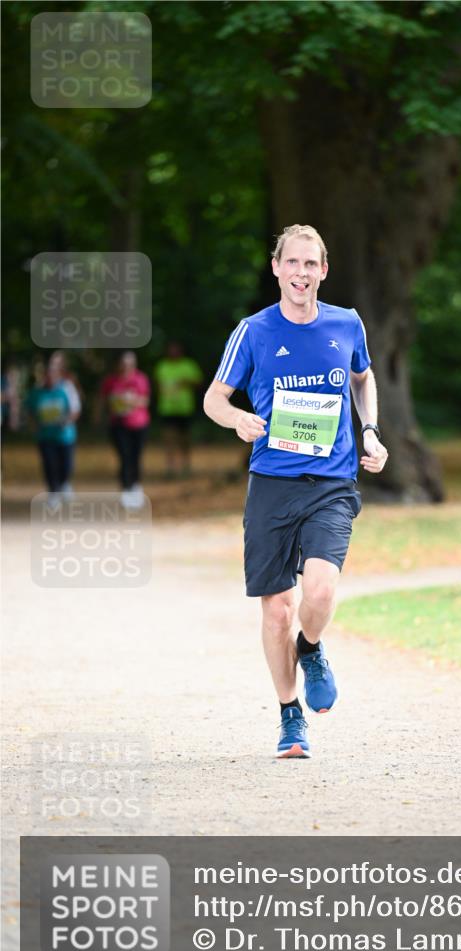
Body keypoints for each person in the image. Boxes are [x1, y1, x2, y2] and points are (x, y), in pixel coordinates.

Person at [203, 223, 388, 759]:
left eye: (312, 264)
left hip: (331, 482)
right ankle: (290, 717)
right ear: (277, 268)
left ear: (323, 271)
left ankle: (311, 649)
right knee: (277, 610)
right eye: (293, 263)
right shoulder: (254, 331)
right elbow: (215, 398)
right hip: (272, 485)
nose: (302, 273)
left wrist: (369, 430)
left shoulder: (346, 323)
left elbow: (363, 377)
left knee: (321, 591)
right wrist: (238, 420)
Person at [26, 352, 80, 508]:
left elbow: (75, 410)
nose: (50, 376)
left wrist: (67, 421)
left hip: (65, 435)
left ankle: (64, 484)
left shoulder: (67, 388)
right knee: (49, 465)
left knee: (66, 465)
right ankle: (53, 492)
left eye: (53, 373)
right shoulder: (37, 392)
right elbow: (29, 410)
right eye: (48, 373)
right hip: (45, 435)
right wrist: (33, 425)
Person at [99, 351, 150, 509]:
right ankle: (126, 488)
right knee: (124, 457)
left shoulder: (140, 379)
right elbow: (102, 400)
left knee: (136, 457)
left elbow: (145, 400)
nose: (127, 366)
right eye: (124, 363)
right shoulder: (111, 381)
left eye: (130, 363)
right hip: (118, 425)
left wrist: (131, 401)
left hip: (139, 424)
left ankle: (135, 486)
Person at [154, 342, 203, 477]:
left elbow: (199, 383)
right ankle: (170, 467)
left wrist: (186, 382)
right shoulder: (162, 366)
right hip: (167, 409)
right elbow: (157, 386)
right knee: (168, 439)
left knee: (184, 439)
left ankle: (186, 466)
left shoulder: (188, 365)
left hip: (185, 409)